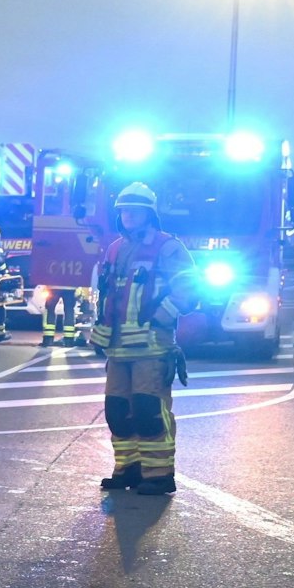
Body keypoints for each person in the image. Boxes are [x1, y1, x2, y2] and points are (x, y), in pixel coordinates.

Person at [88, 183, 197, 496]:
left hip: (153, 347)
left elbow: (190, 288)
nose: (127, 215)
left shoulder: (168, 247)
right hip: (118, 348)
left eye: (134, 210)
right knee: (117, 411)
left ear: (149, 213)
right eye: (123, 210)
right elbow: (107, 294)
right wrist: (100, 331)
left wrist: (163, 315)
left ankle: (159, 475)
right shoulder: (115, 248)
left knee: (149, 410)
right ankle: (128, 469)